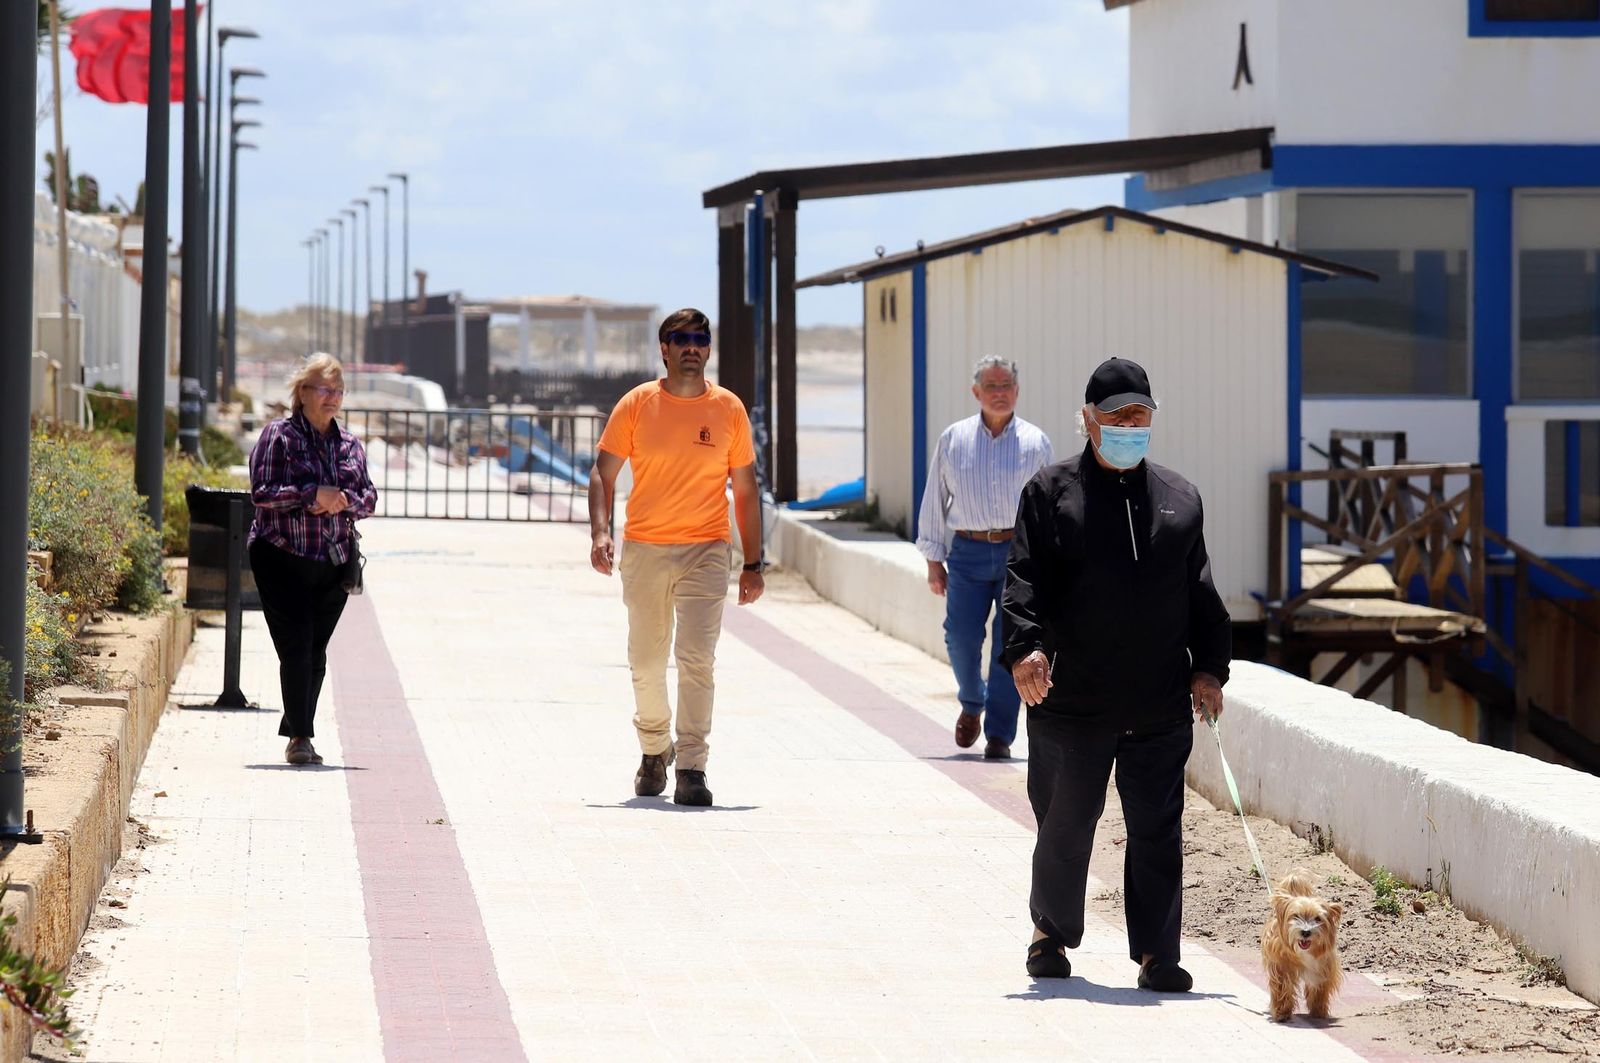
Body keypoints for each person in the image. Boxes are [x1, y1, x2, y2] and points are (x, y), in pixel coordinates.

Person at [1002, 356, 1230, 992]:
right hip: (1072, 699)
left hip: (1157, 702)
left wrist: (1210, 668)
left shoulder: (1180, 499)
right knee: (1065, 825)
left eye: (1140, 416)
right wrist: (1026, 651)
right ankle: (1050, 933)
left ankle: (1158, 954)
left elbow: (1202, 594)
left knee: (1157, 831)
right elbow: (1022, 583)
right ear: (1087, 420)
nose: (1130, 426)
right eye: (1116, 416)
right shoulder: (1049, 494)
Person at [588, 308, 765, 807]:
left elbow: (746, 489)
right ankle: (652, 750)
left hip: (707, 549)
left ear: (709, 348)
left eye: (700, 339)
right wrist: (601, 533)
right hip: (644, 547)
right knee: (645, 660)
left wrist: (753, 563)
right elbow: (602, 474)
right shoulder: (638, 404)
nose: (692, 346)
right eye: (680, 338)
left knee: (695, 658)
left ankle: (691, 765)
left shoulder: (729, 409)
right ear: (664, 349)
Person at [915, 356, 1052, 760]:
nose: (999, 393)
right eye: (990, 386)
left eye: (1006, 385)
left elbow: (1049, 507)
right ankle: (972, 702)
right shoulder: (953, 439)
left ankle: (999, 735)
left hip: (1019, 554)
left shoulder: (1036, 442)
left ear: (1017, 390)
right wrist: (932, 559)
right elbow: (934, 499)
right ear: (976, 392)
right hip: (968, 552)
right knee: (960, 637)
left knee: (1010, 646)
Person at [248, 353, 377, 766]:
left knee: (315, 651)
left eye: (338, 391)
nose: (333, 398)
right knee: (298, 645)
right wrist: (310, 496)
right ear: (302, 393)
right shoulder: (279, 437)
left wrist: (341, 501)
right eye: (324, 389)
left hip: (333, 562)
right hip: (280, 557)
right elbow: (262, 491)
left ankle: (299, 725)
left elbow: (369, 499)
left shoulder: (349, 445)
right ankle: (301, 737)